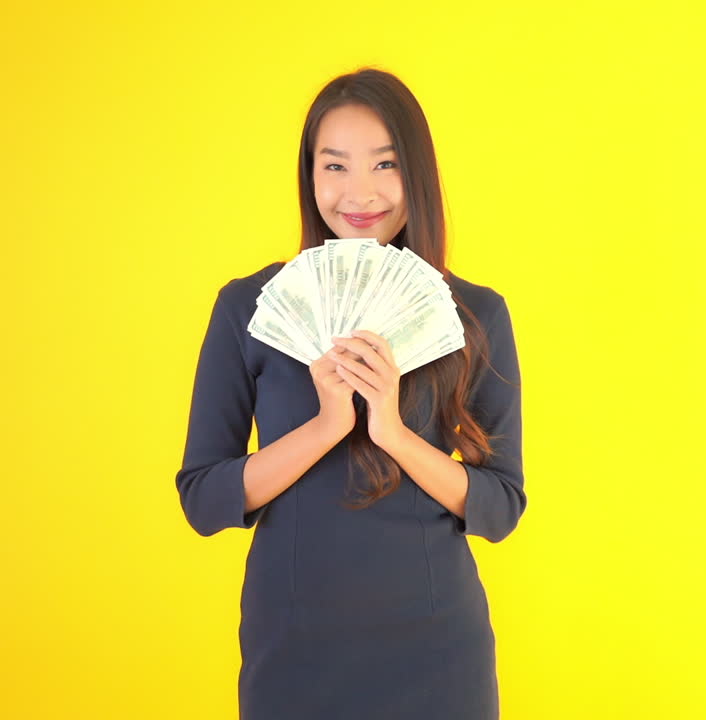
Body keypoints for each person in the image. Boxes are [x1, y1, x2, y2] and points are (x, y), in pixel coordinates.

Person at [175, 67, 526, 719]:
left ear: (417, 173)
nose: (358, 193)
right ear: (309, 176)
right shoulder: (250, 307)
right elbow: (203, 498)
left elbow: (501, 507)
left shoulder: (476, 314)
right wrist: (327, 426)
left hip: (436, 653)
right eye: (334, 166)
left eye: (384, 164)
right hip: (293, 649)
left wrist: (392, 431)